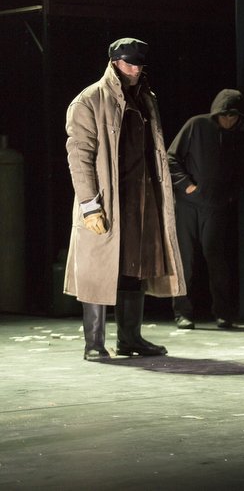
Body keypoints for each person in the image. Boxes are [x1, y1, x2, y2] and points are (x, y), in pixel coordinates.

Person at [65, 37, 186, 360]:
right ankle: (94, 343)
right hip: (107, 199)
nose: (134, 69)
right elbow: (80, 157)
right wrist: (90, 205)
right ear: (114, 62)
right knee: (98, 270)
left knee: (136, 267)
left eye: (139, 63)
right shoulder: (89, 100)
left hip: (141, 198)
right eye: (129, 62)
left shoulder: (147, 98)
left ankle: (130, 338)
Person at [167, 90, 244, 329]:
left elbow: (242, 171)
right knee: (185, 259)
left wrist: (229, 196)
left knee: (216, 260)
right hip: (187, 205)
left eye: (234, 116)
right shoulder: (196, 125)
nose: (229, 120)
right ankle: (182, 313)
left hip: (215, 207)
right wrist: (187, 186)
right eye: (225, 115)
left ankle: (223, 313)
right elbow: (172, 157)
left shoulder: (240, 137)